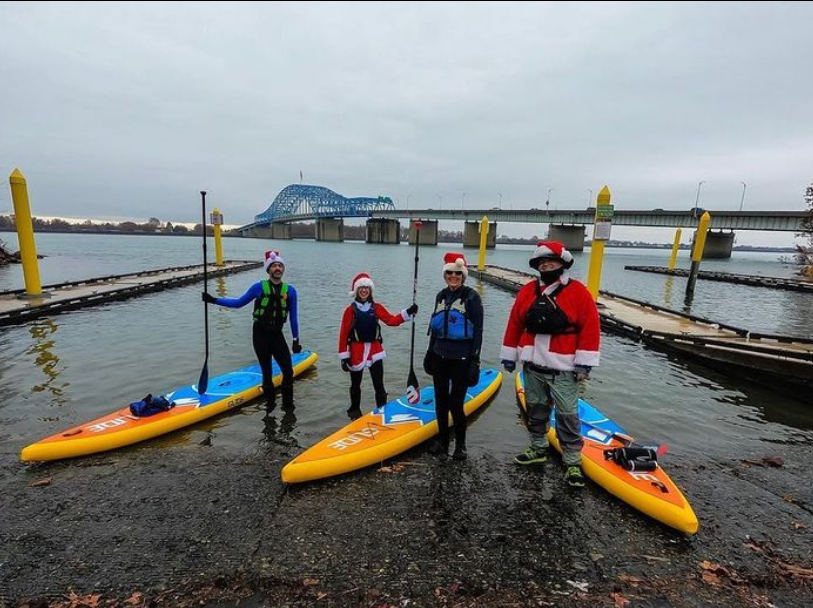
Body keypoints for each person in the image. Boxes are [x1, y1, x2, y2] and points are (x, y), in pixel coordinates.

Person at [499, 241, 600, 487]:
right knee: (535, 410)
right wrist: (509, 355)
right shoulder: (527, 292)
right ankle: (537, 448)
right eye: (542, 262)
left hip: (563, 368)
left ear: (562, 263)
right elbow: (515, 323)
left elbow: (590, 327)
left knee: (568, 416)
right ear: (537, 266)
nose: (547, 265)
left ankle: (573, 462)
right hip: (533, 366)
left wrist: (584, 363)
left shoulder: (578, 292)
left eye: (551, 261)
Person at [202, 250, 302, 409]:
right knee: (267, 373)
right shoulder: (258, 287)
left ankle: (288, 408)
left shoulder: (290, 291)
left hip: (277, 335)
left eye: (280, 266)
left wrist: (296, 340)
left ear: (283, 269)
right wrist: (213, 300)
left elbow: (294, 317)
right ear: (268, 270)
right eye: (274, 266)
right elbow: (238, 303)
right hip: (260, 335)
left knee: (288, 372)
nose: (277, 268)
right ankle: (270, 410)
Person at [424, 252, 483, 461]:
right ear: (445, 274)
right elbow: (435, 328)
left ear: (463, 275)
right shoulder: (440, 295)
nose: (453, 276)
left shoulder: (472, 297)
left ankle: (461, 445)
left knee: (456, 404)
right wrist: (429, 353)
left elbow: (478, 331)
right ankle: (442, 441)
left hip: (461, 358)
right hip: (440, 355)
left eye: (457, 273)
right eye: (449, 273)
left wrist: (474, 360)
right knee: (440, 402)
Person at [338, 272, 418, 419]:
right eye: (361, 288)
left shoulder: (376, 307)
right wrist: (344, 356)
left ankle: (381, 410)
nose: (364, 290)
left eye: (366, 288)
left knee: (379, 384)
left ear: (370, 290)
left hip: (375, 351)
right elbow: (343, 334)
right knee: (355, 384)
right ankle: (355, 410)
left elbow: (392, 320)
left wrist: (408, 312)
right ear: (356, 290)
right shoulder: (350, 311)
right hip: (356, 351)